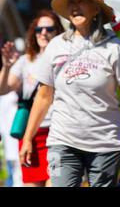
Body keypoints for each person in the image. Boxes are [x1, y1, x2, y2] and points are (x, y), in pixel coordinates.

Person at [19, 0, 120, 187]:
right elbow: (44, 96)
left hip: (104, 142)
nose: (75, 7)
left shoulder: (114, 46)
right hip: (63, 140)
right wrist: (28, 138)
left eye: (82, 2)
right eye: (72, 3)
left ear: (96, 9)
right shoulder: (57, 45)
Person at [0, 10, 64, 187]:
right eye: (39, 29)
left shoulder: (64, 60)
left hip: (58, 135)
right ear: (33, 32)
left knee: (56, 182)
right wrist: (6, 67)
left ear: (58, 32)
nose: (43, 33)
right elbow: (3, 89)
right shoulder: (25, 60)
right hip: (31, 136)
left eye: (49, 28)